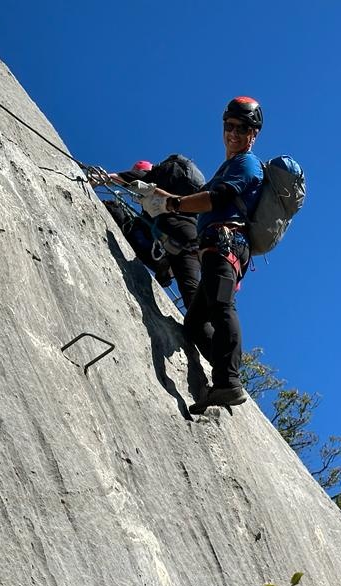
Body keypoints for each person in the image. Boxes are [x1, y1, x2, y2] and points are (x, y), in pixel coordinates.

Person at [140, 97, 265, 412]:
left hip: (227, 247)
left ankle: (229, 383)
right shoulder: (229, 166)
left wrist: (172, 204)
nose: (233, 133)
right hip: (213, 249)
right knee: (195, 324)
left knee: (223, 307)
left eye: (242, 128)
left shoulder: (247, 164)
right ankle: (223, 377)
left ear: (254, 134)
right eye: (229, 126)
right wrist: (162, 196)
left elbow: (215, 198)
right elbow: (198, 199)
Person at [101, 155, 205, 309]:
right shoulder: (184, 183)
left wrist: (102, 178)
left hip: (170, 229)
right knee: (190, 288)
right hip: (189, 234)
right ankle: (166, 266)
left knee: (132, 226)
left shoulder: (161, 173)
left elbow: (138, 178)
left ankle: (163, 264)